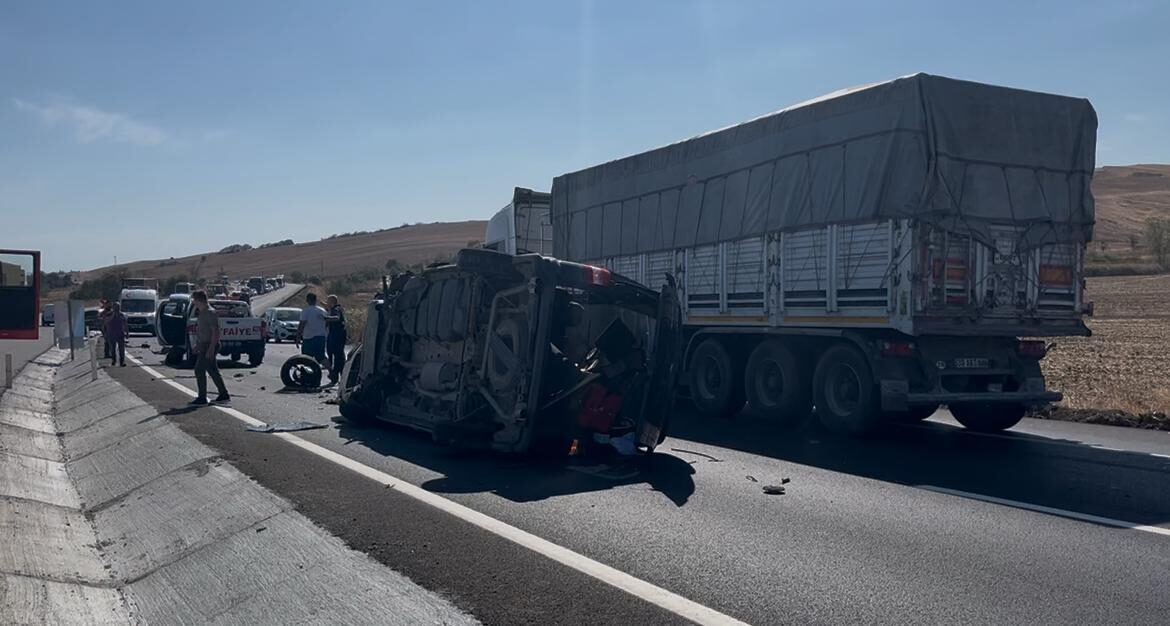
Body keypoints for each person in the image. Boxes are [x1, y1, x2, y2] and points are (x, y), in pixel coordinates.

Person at [189, 290, 231, 405]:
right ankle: (223, 394)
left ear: (199, 300)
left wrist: (211, 348)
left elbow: (215, 331)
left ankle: (202, 397)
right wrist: (198, 345)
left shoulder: (210, 313)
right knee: (212, 370)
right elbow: (203, 331)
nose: (194, 302)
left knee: (199, 369)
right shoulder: (202, 313)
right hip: (204, 345)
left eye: (194, 300)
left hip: (210, 345)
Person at [297, 292, 328, 365]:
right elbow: (327, 322)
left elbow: (302, 325)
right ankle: (331, 371)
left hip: (309, 338)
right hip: (321, 337)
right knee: (321, 357)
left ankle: (307, 373)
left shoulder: (306, 311)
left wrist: (298, 337)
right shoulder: (322, 310)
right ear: (315, 300)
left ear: (307, 300)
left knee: (306, 358)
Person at [324, 294, 347, 383]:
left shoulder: (336, 309)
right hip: (337, 335)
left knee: (337, 356)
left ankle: (335, 375)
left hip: (337, 336)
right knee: (337, 356)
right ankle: (336, 375)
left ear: (332, 302)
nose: (327, 303)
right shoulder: (337, 308)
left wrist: (325, 318)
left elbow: (336, 318)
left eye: (328, 301)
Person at [106, 302, 128, 367]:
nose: (117, 309)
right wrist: (113, 315)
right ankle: (114, 360)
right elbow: (106, 322)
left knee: (121, 349)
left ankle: (122, 362)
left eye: (118, 307)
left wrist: (127, 332)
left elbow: (125, 324)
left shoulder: (122, 315)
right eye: (116, 307)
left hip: (120, 333)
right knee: (113, 348)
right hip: (112, 334)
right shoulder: (109, 314)